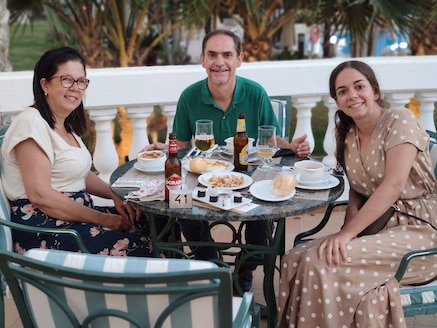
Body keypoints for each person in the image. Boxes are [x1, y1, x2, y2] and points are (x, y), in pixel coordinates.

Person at [142, 29, 311, 292]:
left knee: (262, 211)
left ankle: (247, 265)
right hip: (204, 176)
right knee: (182, 202)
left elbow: (271, 139)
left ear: (239, 59)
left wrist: (293, 147)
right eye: (212, 54)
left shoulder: (255, 93)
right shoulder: (190, 96)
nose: (219, 61)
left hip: (248, 174)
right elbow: (184, 146)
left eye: (227, 55)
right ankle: (210, 262)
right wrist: (163, 147)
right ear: (202, 59)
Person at [277, 60, 437, 327]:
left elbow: (393, 185)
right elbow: (357, 192)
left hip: (418, 230)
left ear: (374, 92)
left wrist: (347, 236)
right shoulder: (346, 134)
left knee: (321, 264)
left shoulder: (400, 119)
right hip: (378, 228)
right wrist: (348, 230)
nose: (351, 95)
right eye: (342, 91)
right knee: (295, 259)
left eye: (359, 86)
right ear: (337, 101)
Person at [1, 47, 154, 257]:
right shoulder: (31, 123)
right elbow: (40, 196)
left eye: (81, 81)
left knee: (152, 224)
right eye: (66, 79)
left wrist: (115, 195)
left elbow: (78, 173)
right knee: (141, 247)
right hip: (46, 228)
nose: (75, 88)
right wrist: (104, 219)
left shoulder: (63, 125)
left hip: (73, 219)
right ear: (45, 84)